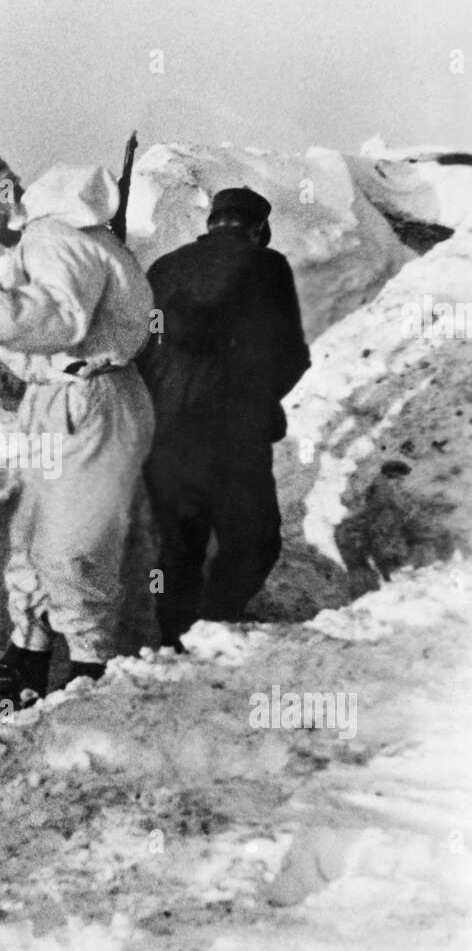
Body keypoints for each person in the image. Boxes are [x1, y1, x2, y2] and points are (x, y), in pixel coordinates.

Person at [0, 141, 155, 701]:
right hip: (56, 398)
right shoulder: (28, 246)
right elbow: (26, 337)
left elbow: (58, 320)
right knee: (31, 540)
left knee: (73, 545)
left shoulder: (55, 239)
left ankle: (91, 680)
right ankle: (27, 663)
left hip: (92, 399)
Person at [138, 187, 310, 648]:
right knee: (255, 539)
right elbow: (291, 355)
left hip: (166, 433)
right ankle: (216, 622)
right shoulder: (267, 266)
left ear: (212, 221)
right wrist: (257, 397)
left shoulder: (164, 268)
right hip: (235, 435)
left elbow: (141, 349)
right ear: (259, 228)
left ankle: (174, 637)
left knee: (176, 549)